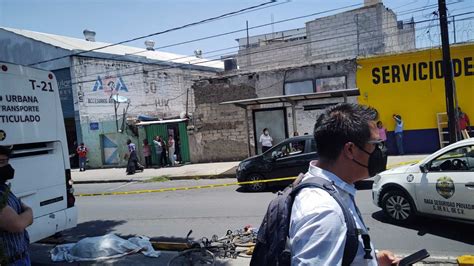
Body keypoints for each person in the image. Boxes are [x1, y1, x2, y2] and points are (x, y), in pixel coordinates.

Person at [290, 103, 398, 266]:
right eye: (376, 145)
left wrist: (373, 259)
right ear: (350, 150)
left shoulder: (330, 187)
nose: (381, 151)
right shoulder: (325, 212)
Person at [0, 146, 33, 265]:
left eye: (6, 162)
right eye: (1, 162)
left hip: (21, 257)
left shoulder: (3, 188)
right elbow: (17, 224)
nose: (7, 167)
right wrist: (29, 211)